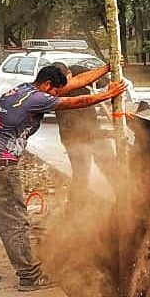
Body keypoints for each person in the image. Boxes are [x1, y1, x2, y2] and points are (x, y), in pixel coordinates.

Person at [0, 63, 126, 291]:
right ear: (47, 85)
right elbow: (76, 101)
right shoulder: (37, 99)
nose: (58, 95)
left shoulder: (25, 90)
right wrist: (108, 94)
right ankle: (30, 276)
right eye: (57, 91)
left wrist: (107, 67)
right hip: (0, 169)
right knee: (16, 222)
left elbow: (76, 84)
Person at [55, 63, 114, 199]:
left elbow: (102, 81)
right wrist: (108, 134)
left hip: (93, 127)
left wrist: (100, 78)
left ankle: (124, 202)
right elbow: (81, 132)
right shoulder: (58, 97)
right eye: (61, 85)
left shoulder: (78, 72)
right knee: (81, 175)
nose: (67, 86)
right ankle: (74, 210)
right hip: (75, 137)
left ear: (70, 73)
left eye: (67, 80)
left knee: (111, 168)